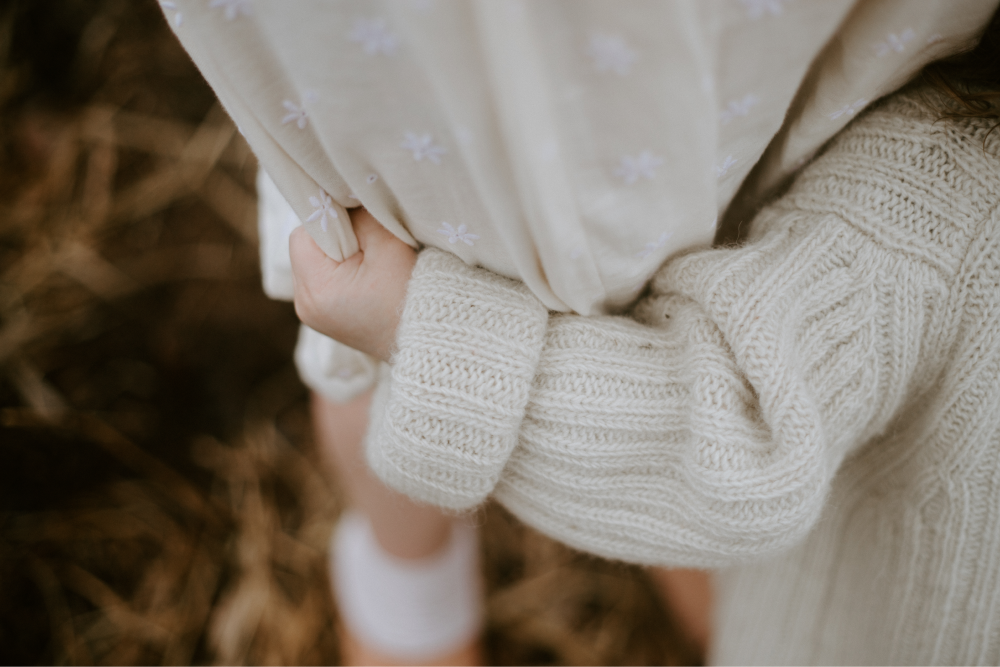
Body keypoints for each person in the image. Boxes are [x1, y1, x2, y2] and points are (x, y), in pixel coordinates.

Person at [163, 1, 1000, 664]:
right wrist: (420, 333)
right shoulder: (951, 199)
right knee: (382, 288)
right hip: (465, 61)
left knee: (696, 258)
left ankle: (652, 526)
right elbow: (742, 431)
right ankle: (408, 577)